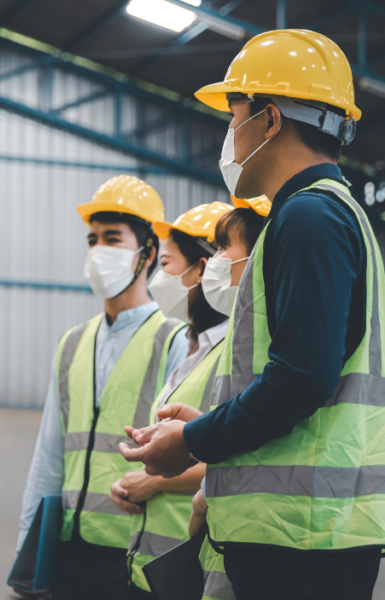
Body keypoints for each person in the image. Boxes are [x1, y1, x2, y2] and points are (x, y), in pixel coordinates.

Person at [120, 29, 385, 600]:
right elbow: (309, 383)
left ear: (270, 121)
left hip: (302, 541)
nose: (229, 134)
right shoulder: (315, 215)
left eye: (235, 116)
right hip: (301, 537)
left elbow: (301, 378)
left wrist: (193, 441)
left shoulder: (309, 217)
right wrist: (208, 426)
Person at [15, 175, 189, 600]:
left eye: (112, 238)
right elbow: (48, 457)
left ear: (147, 253)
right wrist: (27, 553)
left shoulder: (175, 339)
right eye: (92, 240)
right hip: (69, 549)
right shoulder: (71, 343)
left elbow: (188, 451)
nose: (97, 251)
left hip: (135, 551)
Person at [113, 198, 268, 600]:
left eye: (165, 265)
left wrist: (153, 482)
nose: (157, 278)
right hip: (152, 562)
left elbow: (239, 452)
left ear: (200, 271)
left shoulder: (236, 353)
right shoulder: (187, 348)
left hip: (194, 559)